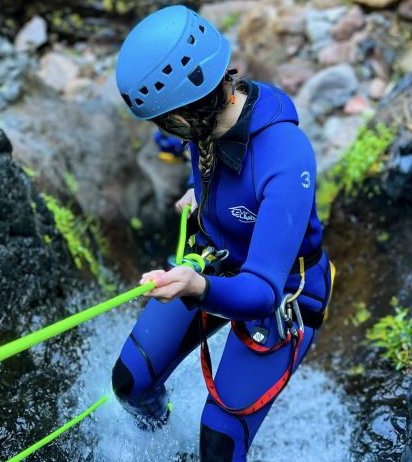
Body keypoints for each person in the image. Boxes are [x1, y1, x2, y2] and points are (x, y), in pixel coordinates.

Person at [112, 6, 334, 461]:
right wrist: (201, 193)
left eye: (169, 122)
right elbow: (199, 154)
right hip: (214, 260)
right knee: (131, 384)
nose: (167, 133)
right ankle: (158, 446)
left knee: (218, 441)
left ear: (198, 103)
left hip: (283, 294)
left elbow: (260, 293)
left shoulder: (285, 158)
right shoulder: (204, 117)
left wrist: (197, 286)